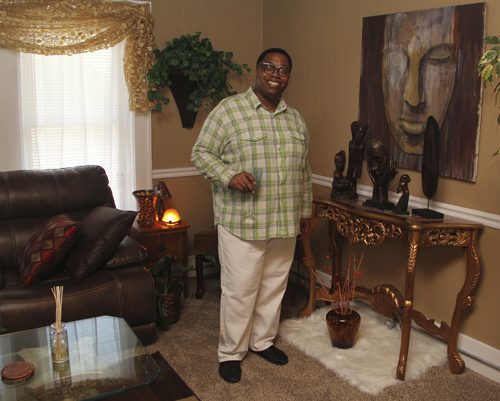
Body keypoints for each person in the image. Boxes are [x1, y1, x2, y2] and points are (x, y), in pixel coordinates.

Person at [191, 48, 312, 384]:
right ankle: (230, 352)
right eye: (269, 67)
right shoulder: (229, 110)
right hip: (243, 221)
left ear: (288, 77)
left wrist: (304, 212)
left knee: (274, 287)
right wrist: (228, 175)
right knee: (240, 290)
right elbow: (200, 153)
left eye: (283, 69)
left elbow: (304, 170)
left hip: (284, 220)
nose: (276, 74)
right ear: (258, 71)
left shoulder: (296, 120)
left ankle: (262, 341)